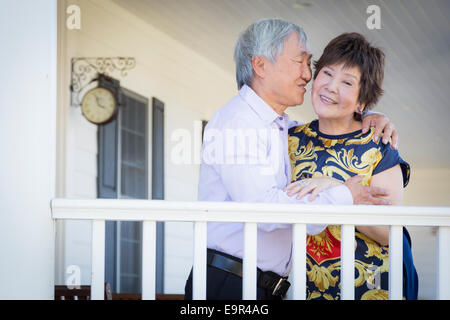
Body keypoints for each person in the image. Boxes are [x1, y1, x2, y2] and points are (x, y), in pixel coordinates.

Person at [184, 19, 398, 300]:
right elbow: (264, 209)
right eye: (300, 61)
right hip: (232, 284)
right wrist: (344, 194)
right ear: (260, 66)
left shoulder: (282, 128)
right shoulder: (239, 123)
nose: (307, 76)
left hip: (272, 286)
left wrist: (369, 116)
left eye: (309, 64)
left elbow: (393, 230)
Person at [287, 32, 418, 300]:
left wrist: (337, 189)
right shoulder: (289, 140)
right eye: (327, 73)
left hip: (367, 290)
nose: (331, 87)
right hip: (304, 288)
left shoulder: (380, 145)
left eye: (347, 82)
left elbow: (386, 233)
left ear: (362, 100)